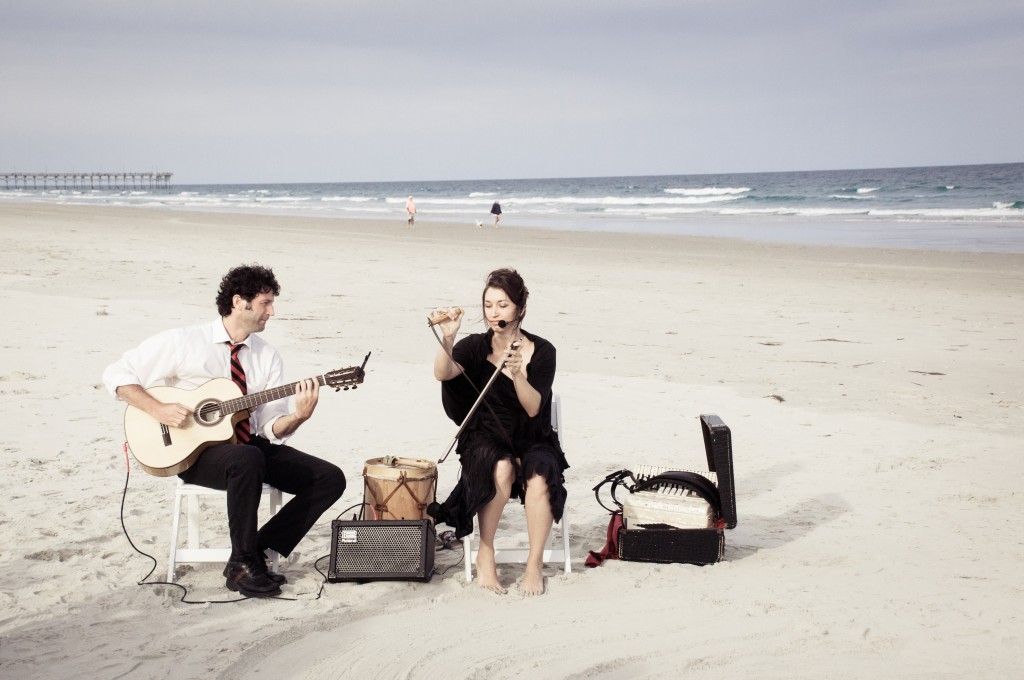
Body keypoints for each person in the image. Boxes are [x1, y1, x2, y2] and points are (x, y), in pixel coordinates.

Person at [103, 264, 346, 598]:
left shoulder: (267, 356)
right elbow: (117, 374)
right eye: (265, 303)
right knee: (246, 458)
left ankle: (254, 552)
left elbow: (270, 426)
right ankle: (243, 565)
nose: (272, 312)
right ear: (239, 302)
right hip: (193, 453)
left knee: (329, 478)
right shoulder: (184, 341)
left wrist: (298, 417)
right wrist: (157, 409)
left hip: (248, 447)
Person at [429, 268, 568, 595]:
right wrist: (448, 337)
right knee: (501, 467)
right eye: (489, 305)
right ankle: (486, 552)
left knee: (539, 475)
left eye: (502, 305)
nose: (494, 312)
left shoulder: (543, 350)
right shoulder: (475, 347)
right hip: (486, 435)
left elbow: (534, 408)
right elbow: (442, 372)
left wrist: (518, 374)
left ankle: (534, 563)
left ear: (520, 308)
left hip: (532, 435)